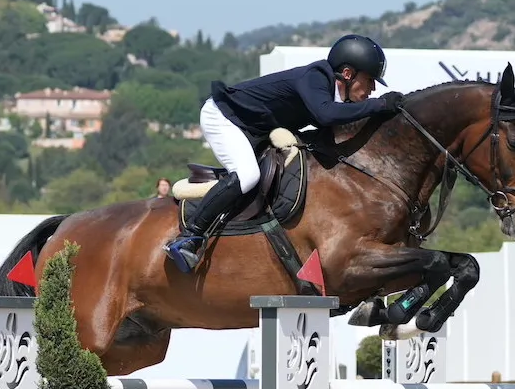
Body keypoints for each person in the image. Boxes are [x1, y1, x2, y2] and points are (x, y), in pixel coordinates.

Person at [163, 34, 405, 272]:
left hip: (254, 130)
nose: (373, 89)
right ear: (348, 74)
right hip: (224, 118)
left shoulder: (335, 97)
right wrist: (380, 104)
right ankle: (189, 238)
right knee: (248, 176)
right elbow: (327, 115)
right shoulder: (316, 77)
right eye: (370, 80)